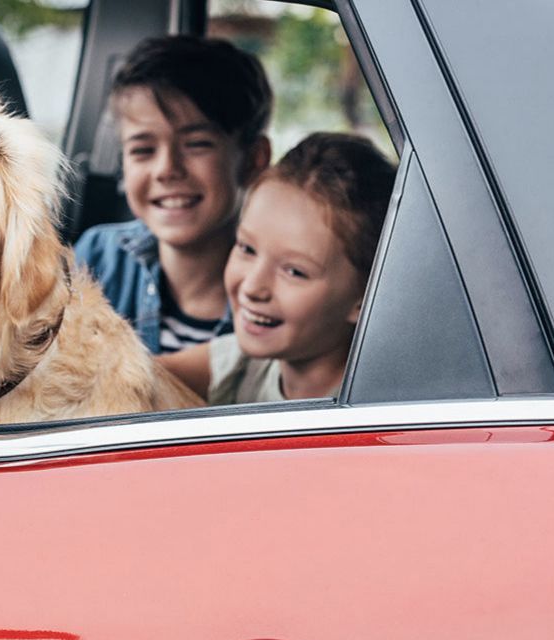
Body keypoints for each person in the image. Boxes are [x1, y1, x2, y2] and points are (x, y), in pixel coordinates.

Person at [158, 132, 396, 404]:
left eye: (294, 271)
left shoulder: (373, 410)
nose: (251, 287)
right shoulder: (244, 363)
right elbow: (136, 377)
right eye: (247, 249)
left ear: (366, 299)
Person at [74, 35, 273, 354]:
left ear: (254, 159)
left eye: (197, 144)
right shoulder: (97, 257)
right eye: (142, 150)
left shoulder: (278, 296)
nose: (167, 169)